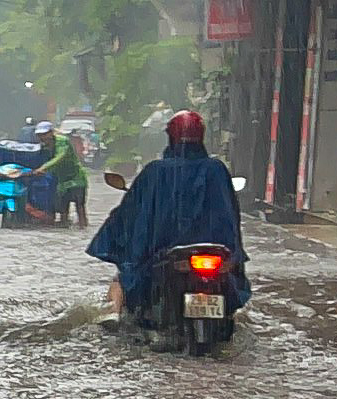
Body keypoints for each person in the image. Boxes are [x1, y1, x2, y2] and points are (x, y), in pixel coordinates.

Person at [88, 109, 249, 320]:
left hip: (164, 257)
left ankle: (113, 315)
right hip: (215, 253)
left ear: (171, 137)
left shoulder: (155, 171)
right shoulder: (216, 169)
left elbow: (131, 212)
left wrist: (115, 232)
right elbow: (231, 214)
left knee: (123, 276)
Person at [30, 121, 87, 226]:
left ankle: (83, 228)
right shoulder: (43, 147)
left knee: (80, 207)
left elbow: (60, 157)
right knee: (63, 210)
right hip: (61, 181)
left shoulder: (62, 141)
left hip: (76, 178)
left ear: (51, 133)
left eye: (45, 134)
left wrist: (43, 168)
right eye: (40, 135)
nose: (43, 137)